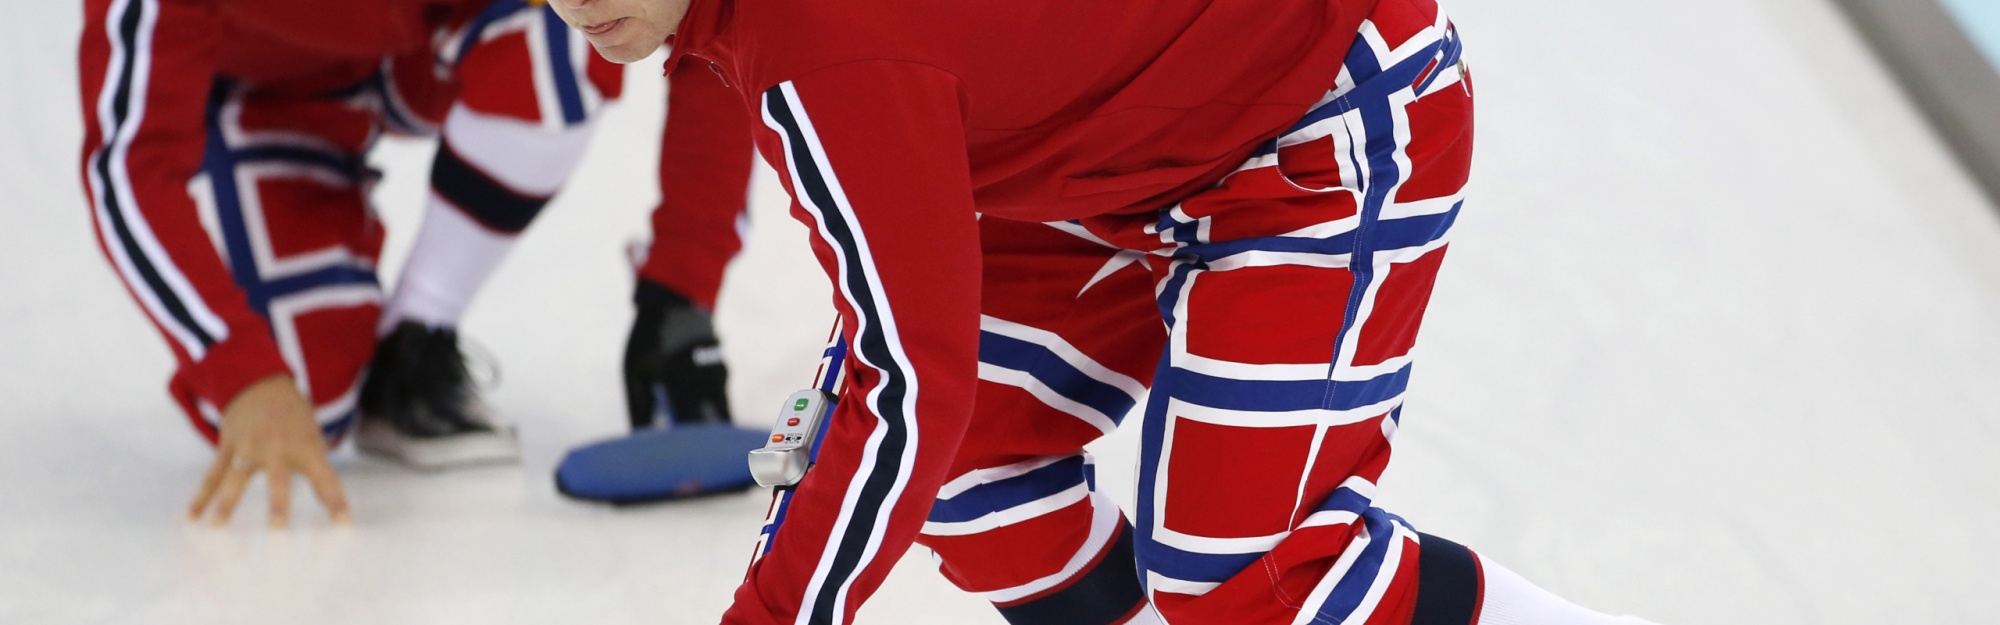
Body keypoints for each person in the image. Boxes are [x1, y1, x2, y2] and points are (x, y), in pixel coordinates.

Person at [550, 0, 1662, 624]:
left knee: (1238, 575)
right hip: (1116, 155)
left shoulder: (827, 53)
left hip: (1315, 118)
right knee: (965, 468)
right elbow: (896, 350)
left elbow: (900, 384)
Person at [78, 0, 622, 525]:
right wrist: (240, 371)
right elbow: (128, 168)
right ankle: (294, 213)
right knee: (301, 404)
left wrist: (678, 290)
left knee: (572, 33)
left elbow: (696, 26)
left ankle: (418, 333)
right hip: (262, 93)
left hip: (411, 51)